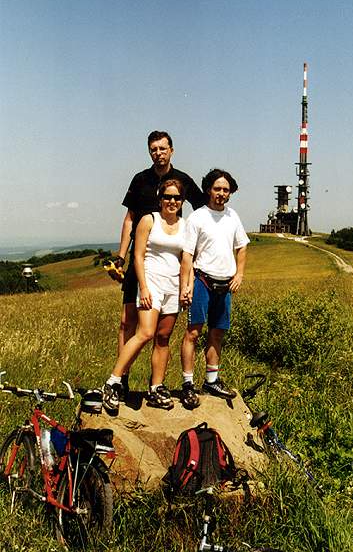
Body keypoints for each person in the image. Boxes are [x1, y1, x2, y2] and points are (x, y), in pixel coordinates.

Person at [110, 131, 205, 401]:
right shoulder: (140, 179)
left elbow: (201, 211)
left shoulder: (183, 180)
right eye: (153, 149)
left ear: (171, 150)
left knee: (161, 333)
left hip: (171, 263)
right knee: (127, 322)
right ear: (149, 151)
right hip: (142, 259)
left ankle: (155, 385)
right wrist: (121, 256)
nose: (158, 153)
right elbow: (129, 219)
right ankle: (121, 380)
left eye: (163, 148)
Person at [103, 179, 190, 415]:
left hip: (173, 285)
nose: (172, 201)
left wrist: (185, 287)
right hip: (151, 282)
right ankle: (113, 382)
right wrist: (143, 287)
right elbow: (138, 256)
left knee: (163, 337)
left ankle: (156, 387)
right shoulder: (149, 220)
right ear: (160, 199)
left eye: (177, 198)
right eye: (167, 197)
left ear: (182, 201)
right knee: (146, 333)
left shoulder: (185, 226)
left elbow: (186, 260)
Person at [179, 168, 250, 409]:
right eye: (217, 188)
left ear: (231, 193)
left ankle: (211, 381)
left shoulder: (233, 217)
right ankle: (188, 384)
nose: (221, 193)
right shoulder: (197, 217)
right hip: (202, 280)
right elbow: (187, 254)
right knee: (193, 333)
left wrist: (239, 274)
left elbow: (242, 246)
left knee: (217, 333)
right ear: (208, 189)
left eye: (226, 190)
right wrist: (186, 286)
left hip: (225, 283)